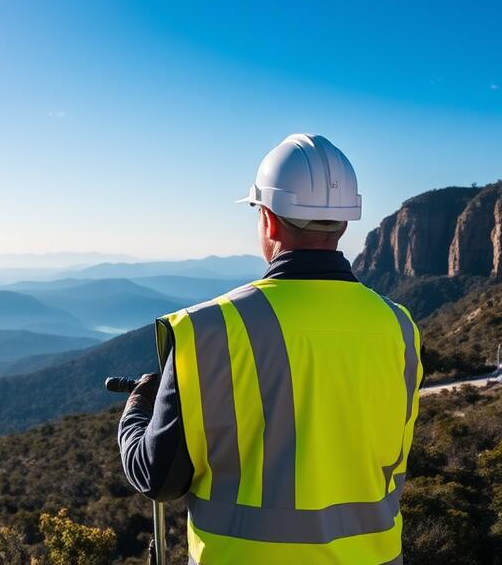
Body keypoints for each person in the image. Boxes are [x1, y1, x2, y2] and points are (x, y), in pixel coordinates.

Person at [118, 133, 421, 565]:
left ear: (269, 220)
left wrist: (135, 410)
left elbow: (157, 475)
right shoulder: (400, 327)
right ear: (344, 222)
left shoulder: (210, 330)